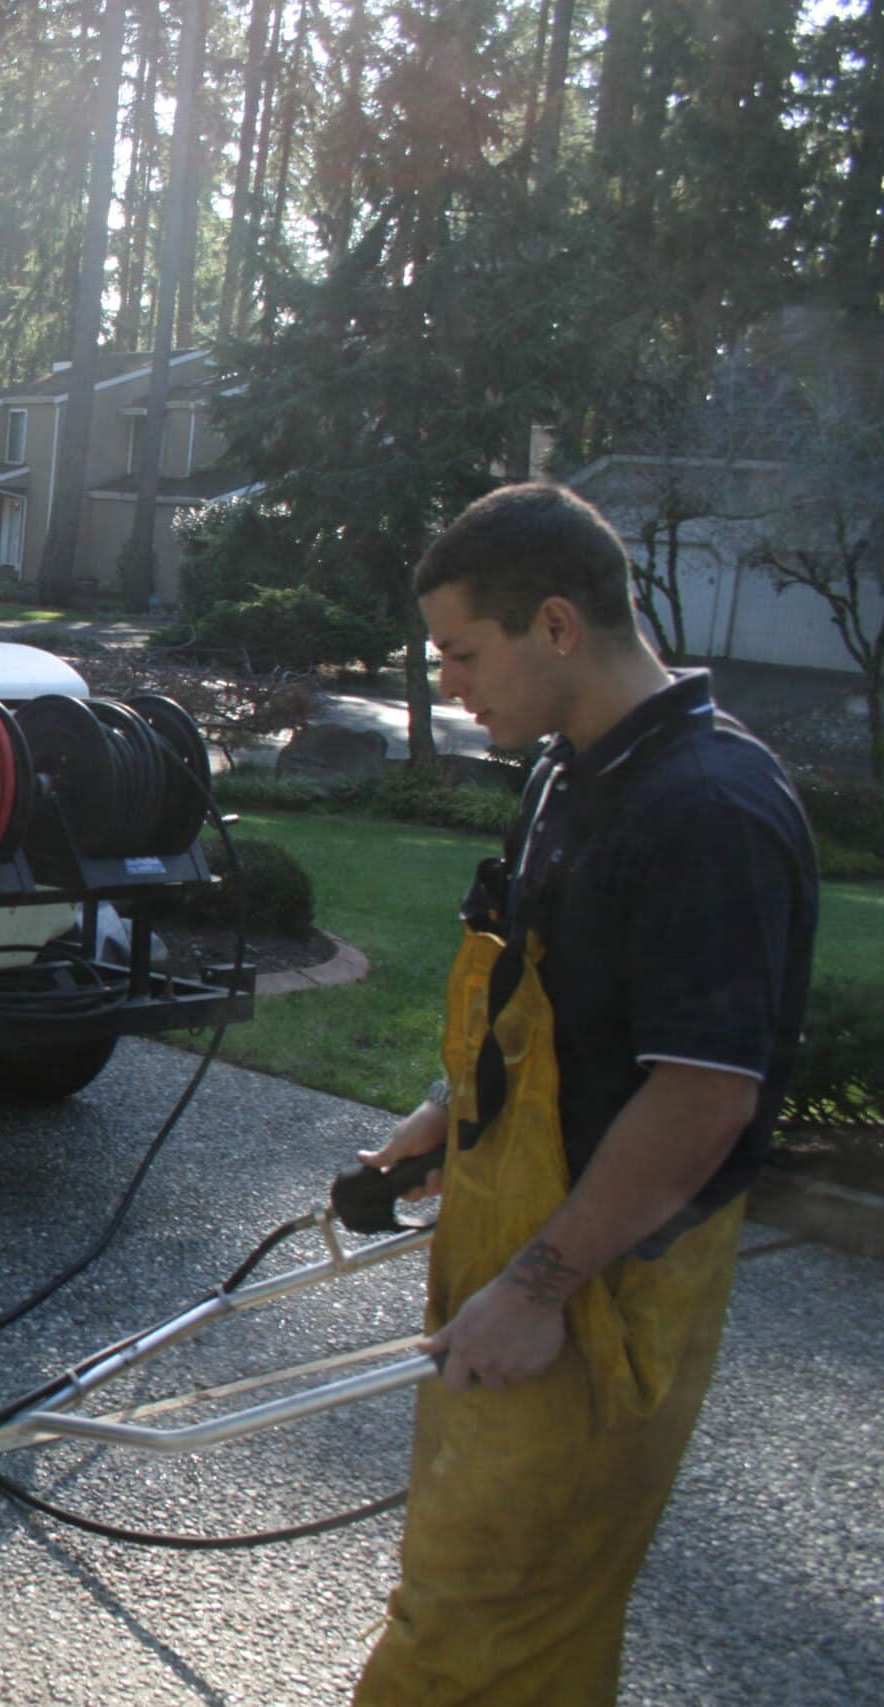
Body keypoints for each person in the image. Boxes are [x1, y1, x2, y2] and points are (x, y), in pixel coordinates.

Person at [351, 483, 818, 1705]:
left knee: (477, 1640)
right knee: (468, 1600)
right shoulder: (568, 771)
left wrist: (537, 1285)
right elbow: (541, 1005)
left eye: (463, 652)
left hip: (601, 1288)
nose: (449, 682)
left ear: (555, 625)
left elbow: (702, 1098)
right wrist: (446, 1115)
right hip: (513, 1250)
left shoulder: (706, 810)